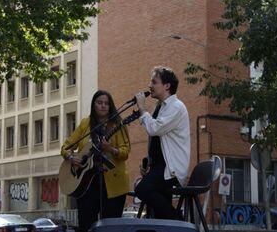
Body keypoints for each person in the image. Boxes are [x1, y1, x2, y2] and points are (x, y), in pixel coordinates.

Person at [61, 90, 131, 232]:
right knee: (86, 225)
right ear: (93, 105)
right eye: (99, 102)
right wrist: (70, 157)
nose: (103, 106)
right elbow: (66, 147)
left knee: (111, 227)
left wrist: (110, 148)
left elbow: (125, 152)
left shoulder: (118, 124)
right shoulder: (85, 123)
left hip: (113, 184)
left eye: (106, 103)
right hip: (86, 184)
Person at [134, 66, 190, 220]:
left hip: (170, 168)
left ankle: (177, 220)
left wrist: (141, 107)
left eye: (154, 82)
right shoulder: (161, 107)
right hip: (160, 167)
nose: (149, 86)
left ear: (167, 86)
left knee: (142, 189)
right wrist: (150, 166)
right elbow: (158, 142)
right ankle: (173, 223)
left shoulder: (176, 107)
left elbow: (154, 129)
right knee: (159, 214)